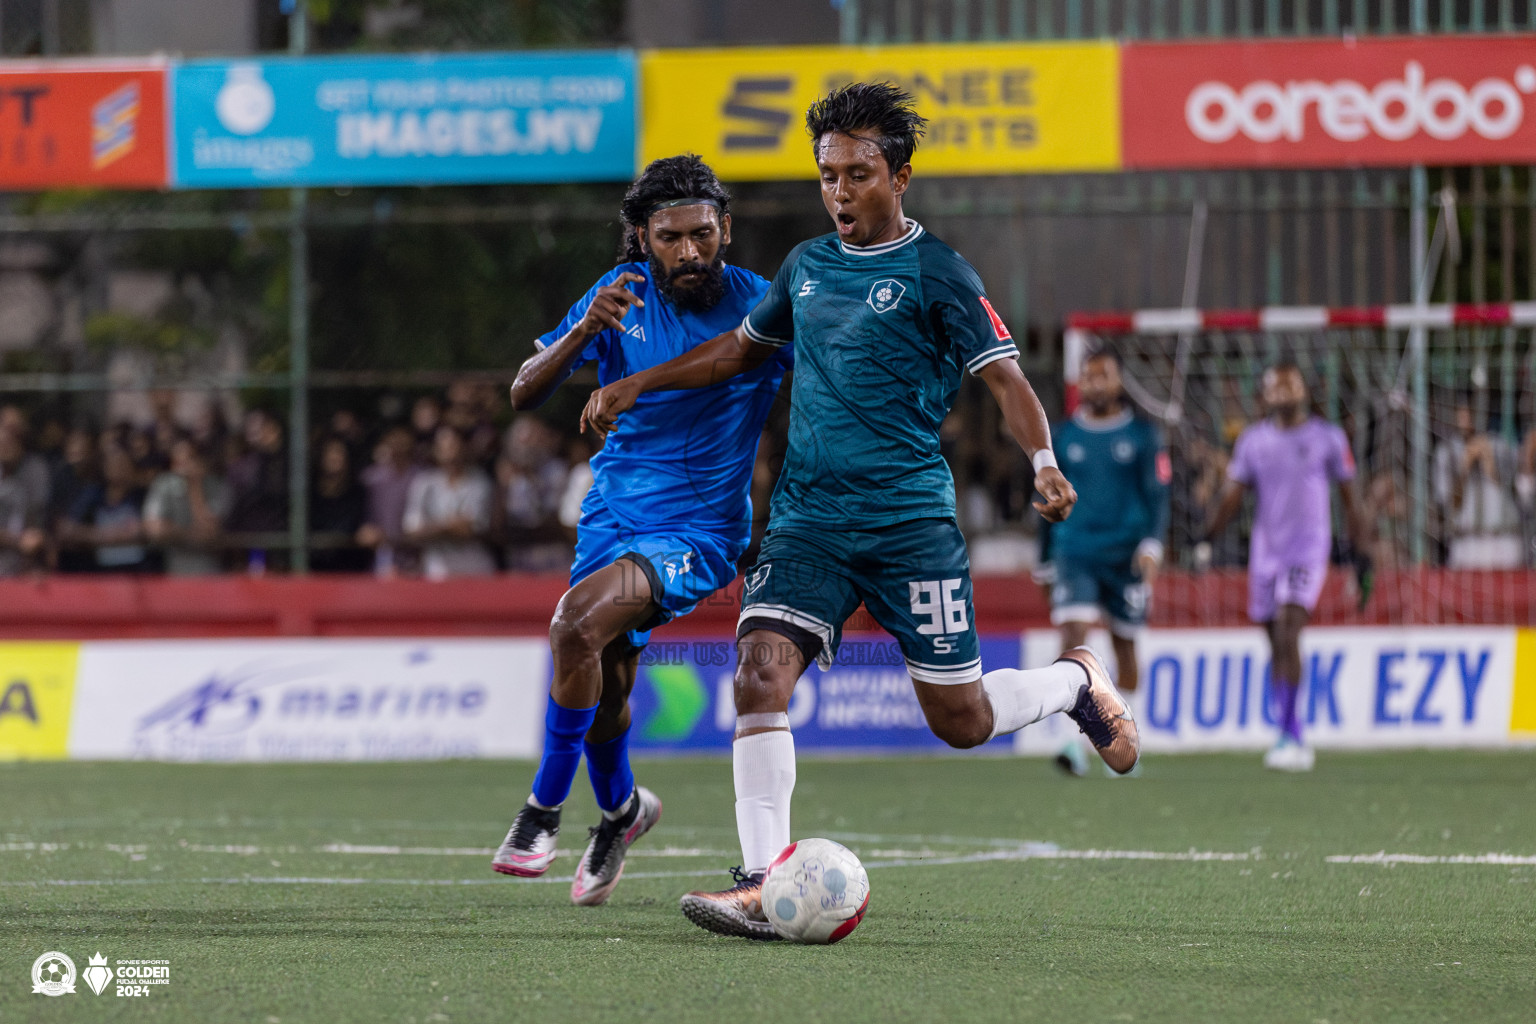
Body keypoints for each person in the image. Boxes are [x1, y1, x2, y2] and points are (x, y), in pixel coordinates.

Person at [582, 84, 1136, 940]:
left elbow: (1003, 378)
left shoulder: (939, 273)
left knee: (961, 721)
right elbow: (736, 350)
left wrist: (1045, 460)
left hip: (910, 521)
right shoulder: (804, 268)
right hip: (808, 517)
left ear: (900, 175)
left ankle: (1075, 682)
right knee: (758, 671)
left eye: (859, 174)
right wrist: (634, 381)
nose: (840, 192)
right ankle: (765, 883)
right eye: (828, 175)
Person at [490, 154, 793, 908]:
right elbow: (525, 392)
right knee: (608, 679)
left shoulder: (763, 304)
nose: (689, 252)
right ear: (641, 236)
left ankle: (541, 812)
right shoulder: (614, 296)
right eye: (670, 237)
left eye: (702, 234)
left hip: (699, 527)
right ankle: (623, 811)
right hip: (613, 512)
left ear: (726, 229)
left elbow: (732, 363)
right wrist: (581, 333)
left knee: (573, 626)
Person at [1198, 362, 1367, 772]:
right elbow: (1233, 496)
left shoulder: (1328, 438)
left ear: (1304, 389)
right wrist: (1205, 537)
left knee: (1291, 626)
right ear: (1266, 394)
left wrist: (1363, 552)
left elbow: (1350, 498)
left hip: (1307, 551)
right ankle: (1285, 727)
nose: (1284, 390)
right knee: (1275, 637)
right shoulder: (1254, 442)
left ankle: (1293, 734)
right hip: (1266, 554)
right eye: (1276, 385)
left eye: (1291, 382)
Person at [1036, 347, 1169, 777]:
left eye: (1103, 376)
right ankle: (1070, 747)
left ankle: (1128, 743)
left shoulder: (1145, 436)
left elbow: (1158, 498)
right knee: (1073, 639)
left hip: (1126, 555)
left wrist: (1152, 544)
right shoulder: (1063, 437)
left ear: (1119, 381)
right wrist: (1043, 559)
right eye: (1088, 376)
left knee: (1125, 645)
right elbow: (1044, 500)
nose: (1094, 384)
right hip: (1075, 552)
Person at [1432, 400, 1522, 569]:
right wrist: (1464, 467)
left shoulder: (1500, 445)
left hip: (1503, 540)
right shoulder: (1446, 452)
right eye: (1461, 415)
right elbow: (1450, 505)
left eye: (1470, 414)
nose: (1466, 420)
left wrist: (1489, 464)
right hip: (1466, 542)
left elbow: (1520, 493)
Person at [401, 425, 495, 579]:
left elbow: (471, 529)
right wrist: (451, 525)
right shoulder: (424, 483)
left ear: (464, 448)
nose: (451, 453)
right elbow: (413, 530)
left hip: (476, 569)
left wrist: (433, 527)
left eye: (454, 446)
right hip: (438, 571)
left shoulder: (480, 482)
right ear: (436, 451)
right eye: (444, 448)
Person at [143, 437, 231, 576]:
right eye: (179, 461)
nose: (186, 465)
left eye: (191, 458)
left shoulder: (216, 486)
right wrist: (190, 535)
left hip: (209, 570)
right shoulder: (163, 484)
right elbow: (155, 530)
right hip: (175, 569)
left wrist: (195, 486)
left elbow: (209, 532)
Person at [59, 444, 151, 573]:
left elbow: (149, 529)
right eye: (114, 463)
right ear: (105, 467)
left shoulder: (141, 496)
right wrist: (105, 535)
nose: (119, 468)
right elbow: (67, 528)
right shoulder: (92, 495)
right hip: (98, 572)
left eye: (123, 463)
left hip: (137, 570)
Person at [357, 424, 421, 576]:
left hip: (415, 556)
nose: (398, 443)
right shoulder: (370, 478)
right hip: (379, 555)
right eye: (393, 438)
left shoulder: (422, 478)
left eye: (402, 438)